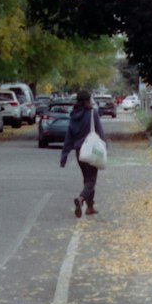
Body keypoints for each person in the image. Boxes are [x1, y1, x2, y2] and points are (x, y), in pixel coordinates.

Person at [60, 89, 105, 218]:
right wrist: (104, 146)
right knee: (91, 180)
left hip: (80, 152)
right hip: (91, 150)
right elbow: (100, 131)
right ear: (88, 100)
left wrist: (64, 155)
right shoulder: (92, 113)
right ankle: (81, 199)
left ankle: (90, 207)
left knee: (87, 178)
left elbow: (69, 136)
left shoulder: (73, 116)